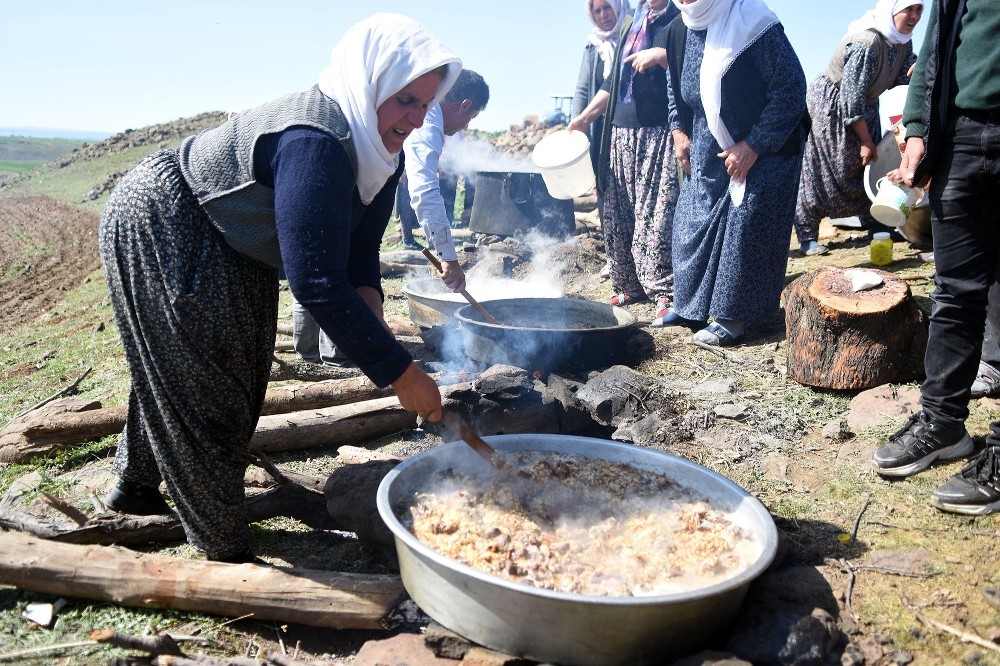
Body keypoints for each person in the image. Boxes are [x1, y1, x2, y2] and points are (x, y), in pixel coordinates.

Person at [97, 13, 457, 562]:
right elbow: (315, 282)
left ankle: (135, 485)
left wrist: (375, 324)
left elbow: (358, 255)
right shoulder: (317, 140)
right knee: (207, 382)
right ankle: (222, 544)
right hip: (171, 218)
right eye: (406, 99)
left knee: (221, 371)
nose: (415, 117)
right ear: (372, 85)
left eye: (426, 104)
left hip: (233, 240)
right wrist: (400, 372)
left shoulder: (382, 153)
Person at [872, 0, 1000, 515]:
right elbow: (936, 46)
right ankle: (943, 422)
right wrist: (920, 127)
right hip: (964, 135)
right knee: (955, 290)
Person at [659, 0, 808, 346]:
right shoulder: (677, 29)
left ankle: (733, 318)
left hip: (768, 141)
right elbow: (674, 87)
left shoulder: (752, 21)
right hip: (707, 139)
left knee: (746, 222)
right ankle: (690, 307)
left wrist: (752, 145)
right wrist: (678, 130)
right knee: (690, 219)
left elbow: (790, 89)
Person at [568, 0, 680, 321]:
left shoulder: (678, 18)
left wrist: (662, 57)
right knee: (618, 209)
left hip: (658, 131)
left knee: (657, 213)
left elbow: (694, 61)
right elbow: (611, 82)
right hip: (620, 132)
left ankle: (664, 291)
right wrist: (584, 119)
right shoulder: (634, 22)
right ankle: (628, 283)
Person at [792, 0, 923, 257]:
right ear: (892, 10)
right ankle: (808, 236)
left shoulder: (901, 42)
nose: (915, 16)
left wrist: (924, 68)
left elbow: (905, 73)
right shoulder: (866, 44)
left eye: (920, 9)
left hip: (866, 106)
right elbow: (850, 100)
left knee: (867, 165)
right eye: (909, 8)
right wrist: (865, 140)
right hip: (833, 105)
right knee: (826, 169)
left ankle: (877, 223)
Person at [403, 69, 490, 292]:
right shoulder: (428, 119)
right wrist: (449, 259)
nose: (468, 126)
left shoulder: (428, 112)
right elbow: (425, 191)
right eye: (471, 117)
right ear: (464, 105)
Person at [572, 0, 633, 198]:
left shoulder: (635, 33)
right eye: (596, 11)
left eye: (607, 7)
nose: (603, 15)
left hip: (630, 128)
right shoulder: (593, 47)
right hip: (601, 130)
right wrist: (577, 127)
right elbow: (582, 90)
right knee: (604, 187)